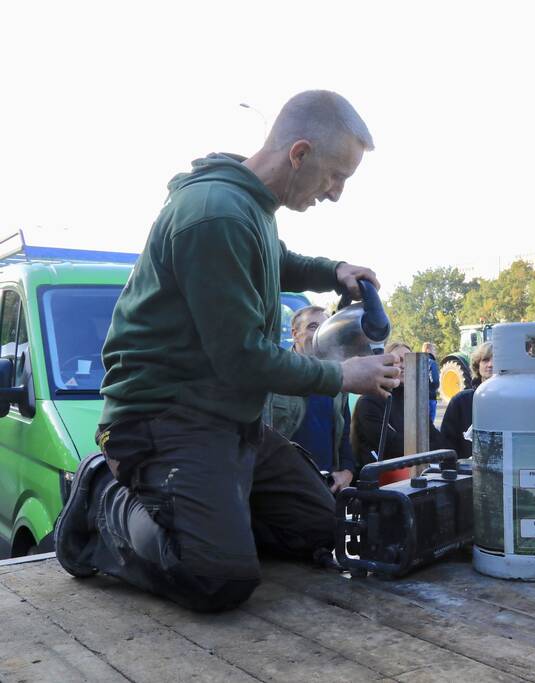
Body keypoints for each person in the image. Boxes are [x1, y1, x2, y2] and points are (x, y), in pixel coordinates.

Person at [53, 90, 401, 613]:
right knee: (217, 577)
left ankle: (215, 509)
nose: (335, 194)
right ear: (299, 153)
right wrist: (342, 375)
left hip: (227, 421)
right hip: (165, 418)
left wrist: (331, 271)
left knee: (324, 529)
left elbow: (272, 258)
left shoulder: (251, 204)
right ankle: (103, 490)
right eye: (335, 176)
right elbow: (242, 359)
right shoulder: (215, 213)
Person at [269, 305, 356, 492]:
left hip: (326, 488)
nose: (320, 334)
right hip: (281, 489)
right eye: (313, 327)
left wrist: (347, 471)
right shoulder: (275, 375)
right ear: (295, 334)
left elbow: (344, 437)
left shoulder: (338, 380)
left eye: (325, 328)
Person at [351, 341, 446, 473]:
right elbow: (391, 445)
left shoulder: (414, 400)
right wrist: (427, 447)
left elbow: (434, 436)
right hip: (382, 479)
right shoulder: (369, 401)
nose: (404, 365)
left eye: (408, 360)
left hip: (413, 473)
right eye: (398, 360)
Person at [440, 342, 493, 459]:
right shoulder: (460, 402)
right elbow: (447, 443)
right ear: (477, 366)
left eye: (496, 360)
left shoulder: (515, 403)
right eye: (485, 360)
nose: (491, 364)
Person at [422, 342, 441, 424]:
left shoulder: (417, 361)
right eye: (434, 350)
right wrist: (433, 389)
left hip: (420, 398)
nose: (435, 352)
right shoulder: (431, 362)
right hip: (430, 398)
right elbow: (435, 381)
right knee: (430, 426)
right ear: (428, 350)